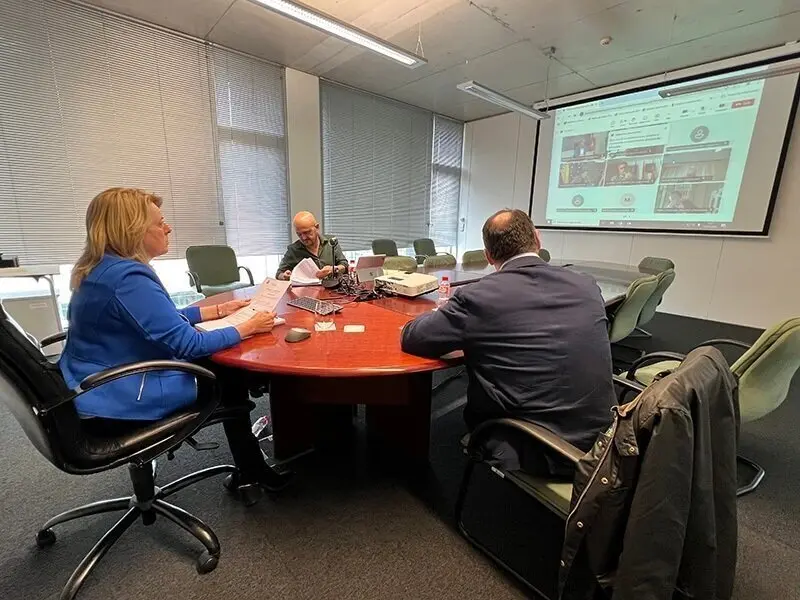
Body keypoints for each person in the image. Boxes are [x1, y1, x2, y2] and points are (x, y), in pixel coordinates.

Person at [60, 187, 290, 496]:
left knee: (225, 364)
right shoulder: (128, 278)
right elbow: (188, 345)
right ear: (134, 230)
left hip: (88, 384)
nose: (167, 228)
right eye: (160, 222)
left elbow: (152, 318)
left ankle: (251, 460)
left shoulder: (104, 269)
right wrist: (249, 326)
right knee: (230, 375)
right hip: (116, 395)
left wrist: (216, 311)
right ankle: (252, 469)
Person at [401, 209, 615, 475]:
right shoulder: (586, 286)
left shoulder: (479, 297)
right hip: (605, 440)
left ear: (488, 256)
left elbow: (414, 338)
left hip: (536, 447)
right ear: (538, 240)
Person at [276, 211, 348, 281]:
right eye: (299, 234)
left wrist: (334, 269)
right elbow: (279, 274)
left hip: (332, 289)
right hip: (306, 292)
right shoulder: (293, 250)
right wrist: (285, 276)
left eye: (306, 232)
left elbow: (344, 265)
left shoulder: (331, 242)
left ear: (317, 227)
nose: (303, 238)